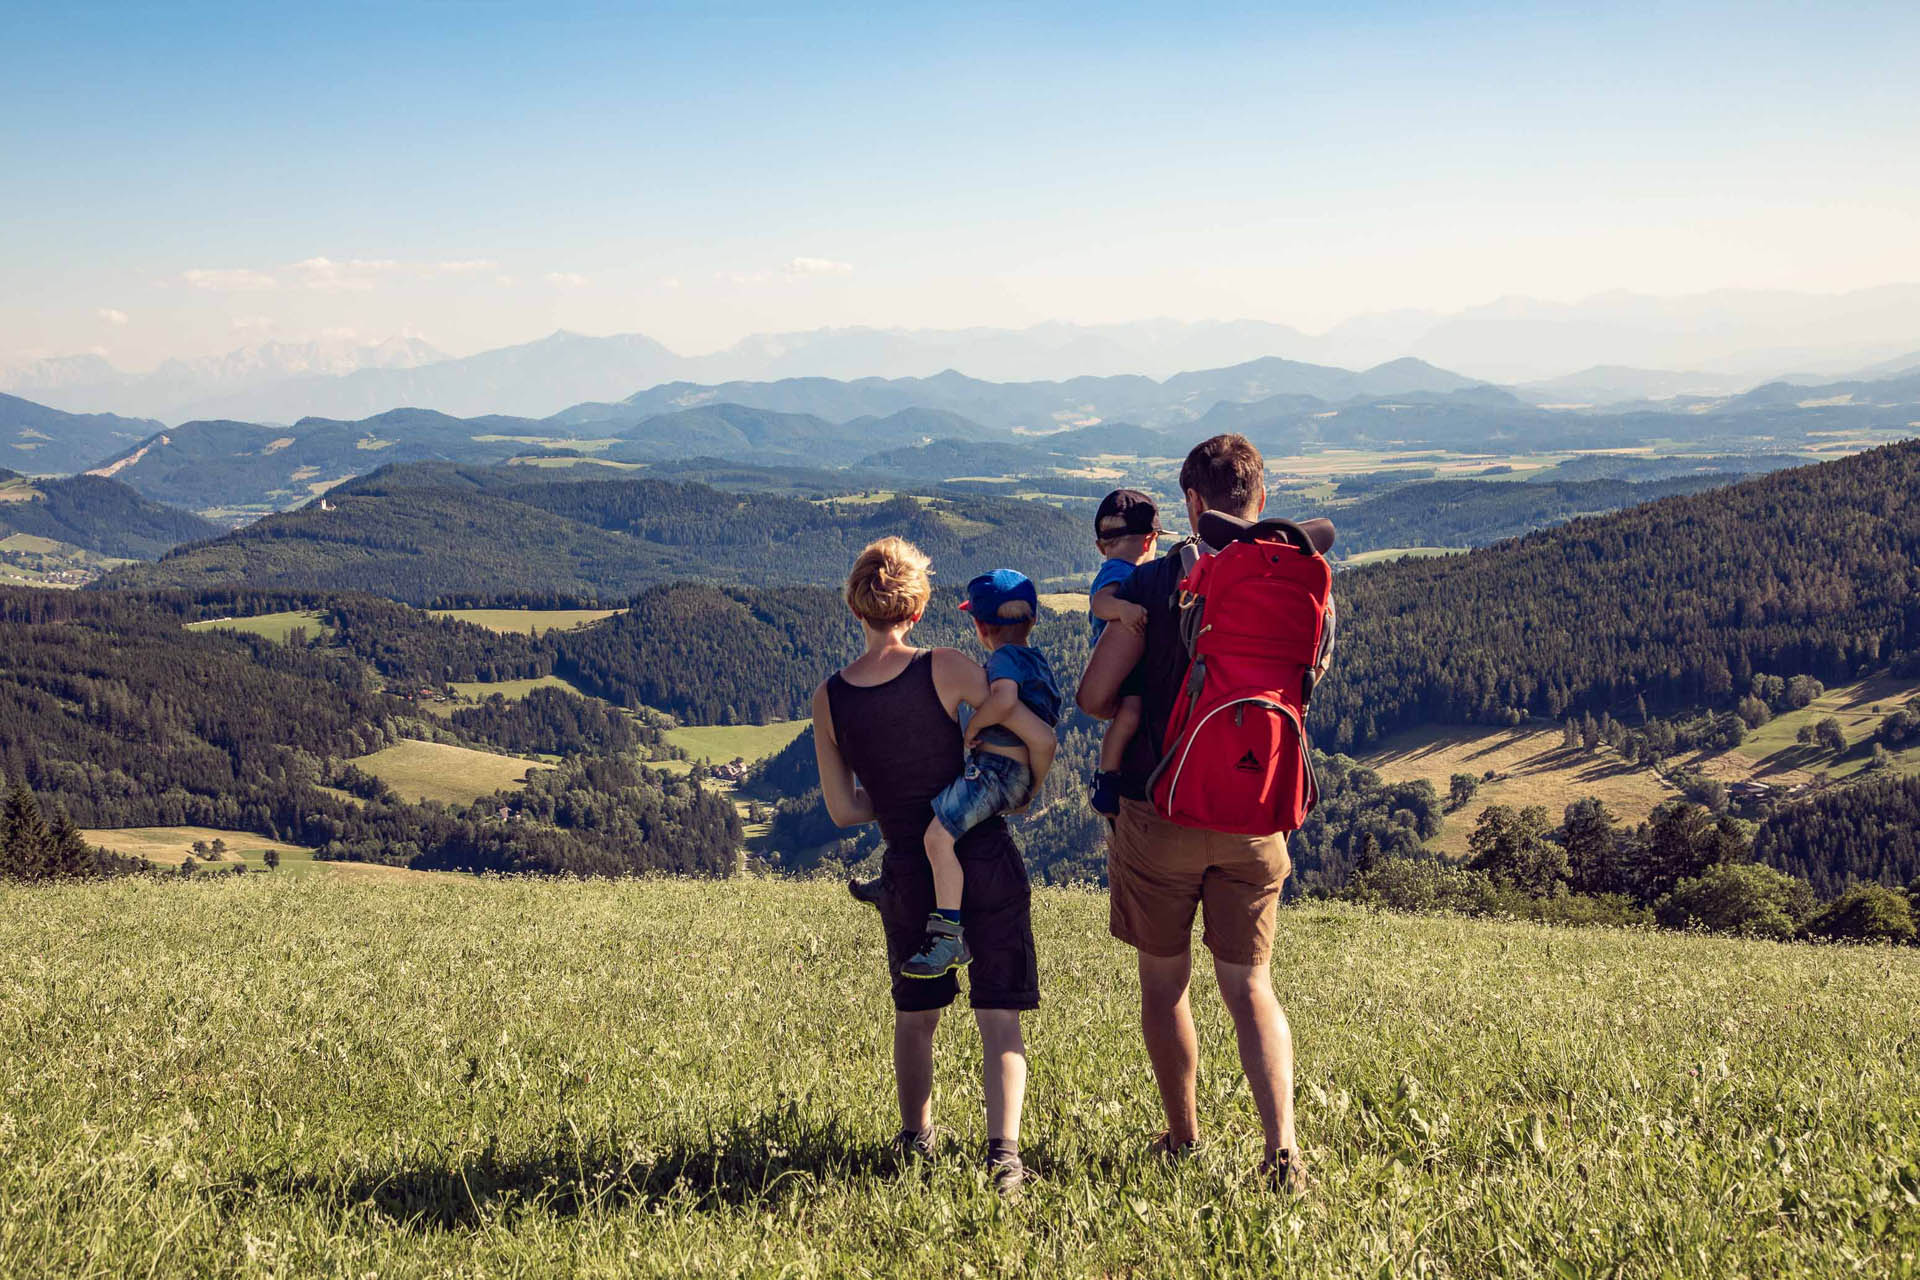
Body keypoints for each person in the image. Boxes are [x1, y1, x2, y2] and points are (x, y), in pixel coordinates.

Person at [1075, 433, 1332, 1191]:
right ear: (1263, 494)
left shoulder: (1155, 586)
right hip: (1259, 814)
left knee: (1166, 984)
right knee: (1252, 985)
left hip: (1162, 813)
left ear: (1191, 502)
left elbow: (1093, 699)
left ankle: (1183, 1137)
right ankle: (1281, 1147)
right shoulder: (1307, 589)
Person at [812, 537, 1054, 1191]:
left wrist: (896, 798)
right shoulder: (946, 667)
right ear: (916, 610)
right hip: (985, 855)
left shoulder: (829, 699)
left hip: (908, 872)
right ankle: (1003, 1158)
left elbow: (843, 810)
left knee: (916, 1018)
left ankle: (915, 1139)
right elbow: (1028, 727)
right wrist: (1026, 788)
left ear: (856, 609)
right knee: (998, 1015)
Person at [902, 569, 1061, 979]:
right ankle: (902, 884)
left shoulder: (1004, 659)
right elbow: (1043, 741)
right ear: (1033, 621)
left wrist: (973, 727)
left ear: (980, 626)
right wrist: (1030, 790)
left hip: (993, 770)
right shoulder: (1037, 661)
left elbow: (1005, 699)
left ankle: (948, 934)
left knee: (937, 837)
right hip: (1017, 775)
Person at [1085, 489, 1161, 817]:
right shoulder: (1118, 571)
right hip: (1122, 667)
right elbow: (1099, 603)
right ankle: (1107, 774)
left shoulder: (1119, 567)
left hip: (1129, 664)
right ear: (1150, 541)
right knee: (1130, 712)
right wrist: (1123, 610)